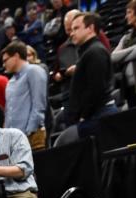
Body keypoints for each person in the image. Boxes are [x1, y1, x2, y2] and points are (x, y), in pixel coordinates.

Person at [56, 12, 116, 146]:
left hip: (98, 116)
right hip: (94, 115)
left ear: (90, 28)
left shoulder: (95, 52)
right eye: (71, 30)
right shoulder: (88, 51)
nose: (71, 33)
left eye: (76, 28)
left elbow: (96, 90)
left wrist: (83, 116)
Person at [2, 41, 49, 151]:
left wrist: (30, 131)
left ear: (16, 56)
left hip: (31, 136)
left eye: (5, 60)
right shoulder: (11, 81)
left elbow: (39, 104)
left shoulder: (34, 71)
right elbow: (9, 112)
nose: (4, 64)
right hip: (15, 140)